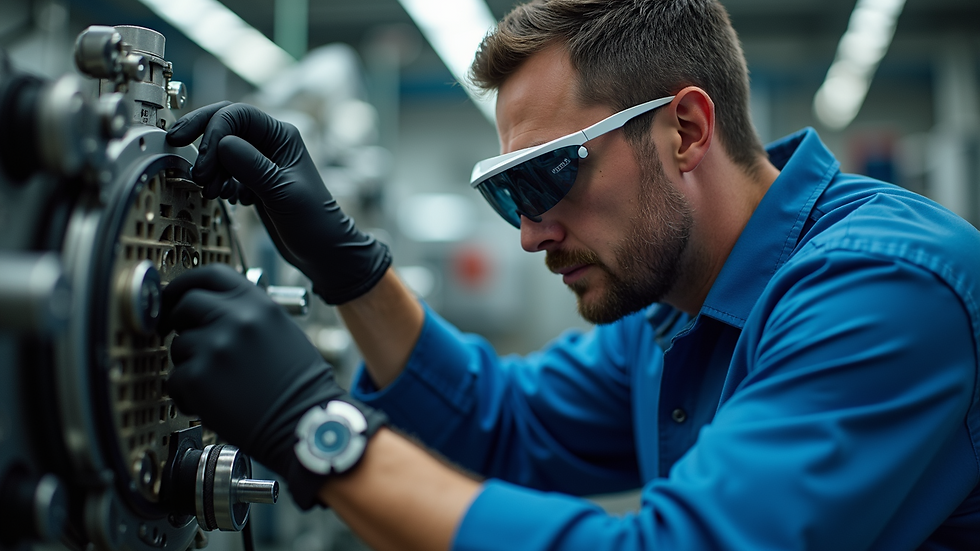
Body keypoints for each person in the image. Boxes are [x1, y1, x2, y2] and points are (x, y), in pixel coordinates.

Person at [160, 0, 980, 549]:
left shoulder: (881, 288)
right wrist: (345, 267)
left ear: (686, 131)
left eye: (548, 178)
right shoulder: (672, 308)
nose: (527, 233)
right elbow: (500, 422)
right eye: (507, 192)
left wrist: (317, 432)